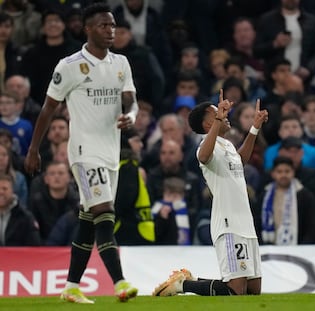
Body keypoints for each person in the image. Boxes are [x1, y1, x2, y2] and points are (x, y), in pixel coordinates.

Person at [24, 3, 138, 304]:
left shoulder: (121, 63)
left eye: (112, 25)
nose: (110, 31)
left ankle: (72, 286)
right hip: (84, 152)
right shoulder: (69, 65)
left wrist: (132, 118)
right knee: (104, 212)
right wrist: (34, 149)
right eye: (104, 25)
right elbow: (48, 109)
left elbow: (132, 102)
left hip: (111, 151)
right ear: (88, 29)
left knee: (89, 218)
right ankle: (120, 282)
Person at [153, 91, 268, 296]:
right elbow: (204, 157)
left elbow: (240, 161)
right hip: (228, 224)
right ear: (209, 123)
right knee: (235, 291)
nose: (225, 115)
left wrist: (254, 128)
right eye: (218, 113)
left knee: (253, 291)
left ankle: (189, 280)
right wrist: (218, 119)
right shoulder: (205, 148)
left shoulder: (228, 145)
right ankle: (182, 286)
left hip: (246, 224)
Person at [0, 173, 41, 246]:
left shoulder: (25, 217)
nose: (1, 192)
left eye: (5, 188)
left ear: (12, 191)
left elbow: (34, 246)